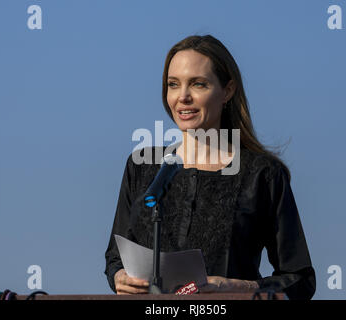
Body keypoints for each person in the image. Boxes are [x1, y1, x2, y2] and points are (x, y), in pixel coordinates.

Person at [104, 35, 316, 300]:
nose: (183, 97)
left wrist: (233, 287)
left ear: (227, 91)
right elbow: (115, 256)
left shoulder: (262, 174)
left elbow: (299, 279)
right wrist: (120, 277)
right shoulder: (141, 166)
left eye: (198, 84)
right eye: (173, 84)